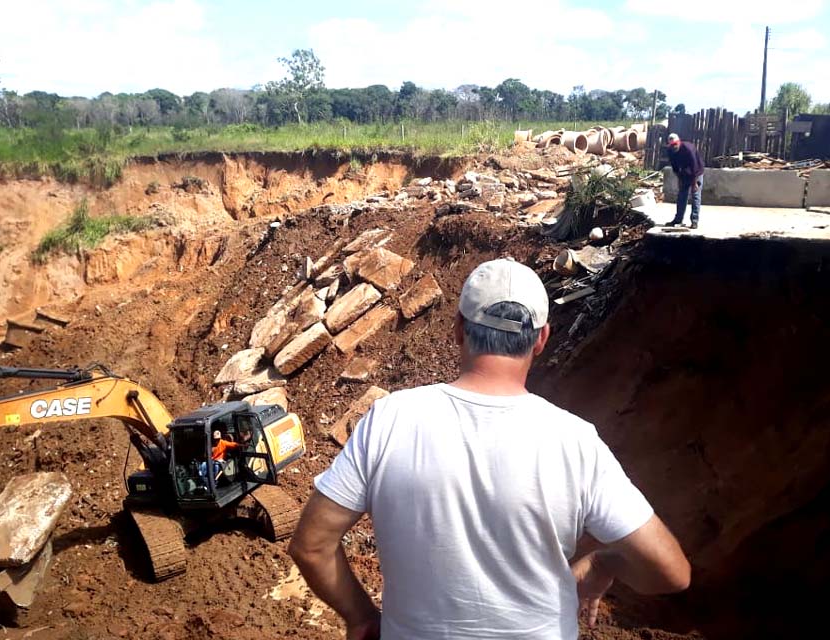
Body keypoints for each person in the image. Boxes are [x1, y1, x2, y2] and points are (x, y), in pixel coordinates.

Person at [288, 259, 690, 640]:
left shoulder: (390, 420)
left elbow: (312, 546)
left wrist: (361, 618)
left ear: (459, 329)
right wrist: (604, 562)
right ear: (541, 339)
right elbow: (671, 573)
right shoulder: (575, 441)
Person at [666, 133, 704, 229]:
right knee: (682, 195)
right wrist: (679, 179)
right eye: (672, 145)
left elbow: (694, 166)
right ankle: (678, 219)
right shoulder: (671, 151)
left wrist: (694, 183)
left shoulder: (688, 149)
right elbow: (674, 166)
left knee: (695, 195)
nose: (674, 146)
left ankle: (694, 221)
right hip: (684, 173)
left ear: (679, 142)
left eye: (675, 144)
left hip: (696, 172)